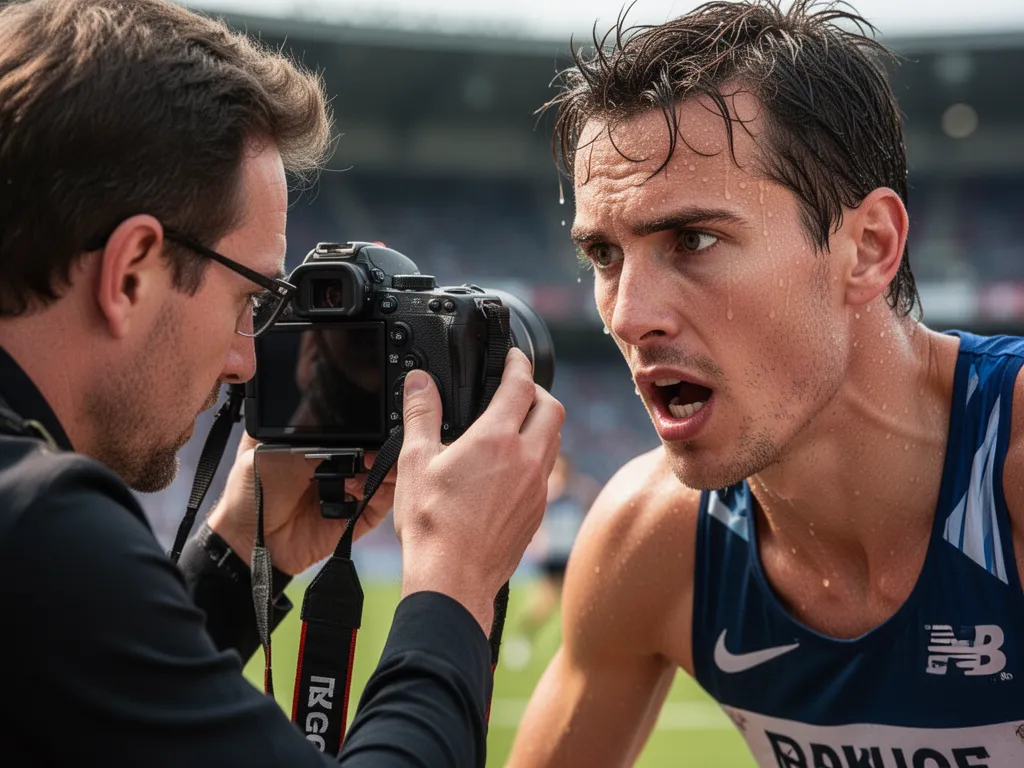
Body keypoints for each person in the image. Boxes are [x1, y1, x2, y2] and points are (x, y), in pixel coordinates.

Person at [0, 1, 564, 765]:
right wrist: (454, 584)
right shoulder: (38, 524)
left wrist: (237, 555)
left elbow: (94, 705)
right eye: (251, 302)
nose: (246, 358)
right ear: (130, 272)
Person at [510, 2, 1024, 766]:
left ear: (868, 248)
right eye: (605, 256)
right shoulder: (653, 537)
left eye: (694, 239)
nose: (627, 315)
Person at [503, 453, 597, 670]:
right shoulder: (548, 491)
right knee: (546, 603)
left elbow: (588, 510)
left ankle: (573, 647)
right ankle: (522, 639)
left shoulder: (578, 491)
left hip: (573, 555)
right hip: (554, 557)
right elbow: (535, 520)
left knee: (578, 603)